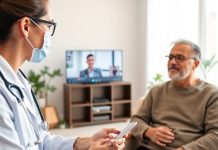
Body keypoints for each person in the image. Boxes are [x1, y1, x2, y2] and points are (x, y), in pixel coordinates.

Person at [0, 0, 124, 149]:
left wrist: (86, 142)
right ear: (26, 26)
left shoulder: (18, 81)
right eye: (49, 25)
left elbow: (41, 142)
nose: (49, 34)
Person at [129, 40, 218, 150]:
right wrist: (149, 131)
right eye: (170, 57)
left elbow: (215, 135)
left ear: (196, 64)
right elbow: (135, 121)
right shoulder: (156, 91)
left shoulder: (211, 94)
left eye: (180, 58)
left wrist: (185, 149)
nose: (172, 62)